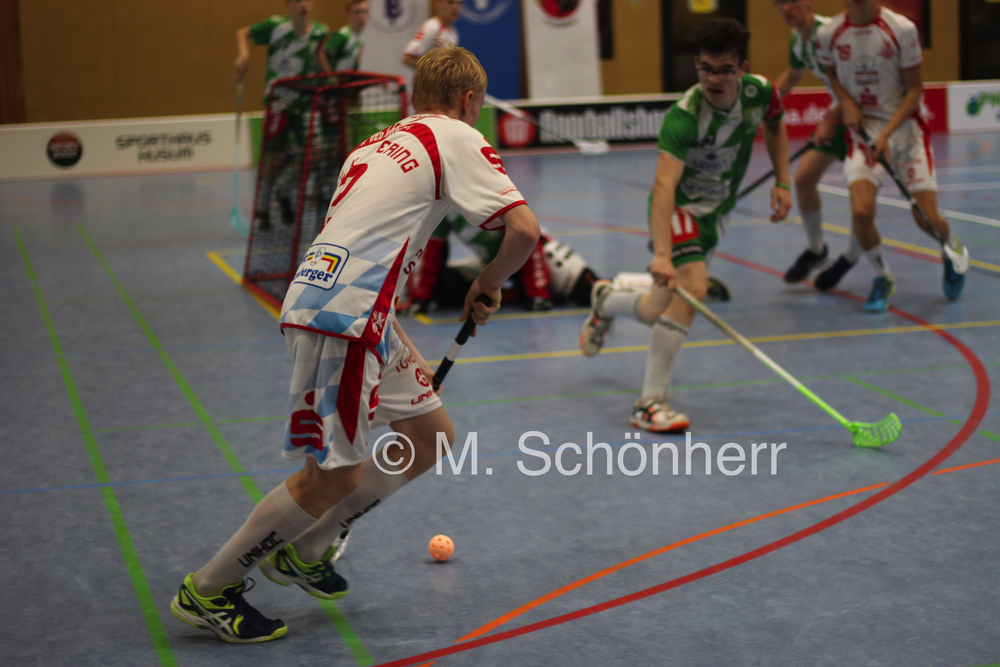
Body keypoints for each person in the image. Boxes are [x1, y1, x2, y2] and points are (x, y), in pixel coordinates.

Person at [171, 47, 541, 644]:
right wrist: (489, 282)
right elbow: (523, 231)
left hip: (350, 306)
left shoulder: (373, 145)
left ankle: (306, 550)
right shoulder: (454, 135)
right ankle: (210, 588)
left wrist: (394, 339)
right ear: (468, 99)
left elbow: (370, 243)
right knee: (332, 478)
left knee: (430, 436)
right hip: (343, 316)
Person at [579, 17, 792, 432]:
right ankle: (649, 403)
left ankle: (605, 300)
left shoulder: (761, 93)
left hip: (717, 213)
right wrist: (661, 253)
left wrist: (783, 180)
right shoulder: (685, 116)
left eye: (725, 70)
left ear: (742, 68)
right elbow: (663, 186)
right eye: (705, 68)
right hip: (680, 209)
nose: (714, 79)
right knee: (693, 288)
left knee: (656, 309)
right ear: (696, 64)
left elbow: (776, 126)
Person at [814, 0, 969, 311]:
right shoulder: (829, 33)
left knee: (926, 219)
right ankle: (882, 276)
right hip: (863, 131)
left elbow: (914, 92)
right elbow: (831, 73)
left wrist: (885, 135)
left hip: (906, 131)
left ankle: (951, 246)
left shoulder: (901, 29)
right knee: (861, 212)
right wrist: (847, 103)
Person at [773, 0, 858, 285]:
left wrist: (829, 121)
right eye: (779, 3)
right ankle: (817, 250)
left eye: (791, 1)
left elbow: (856, 85)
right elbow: (792, 75)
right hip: (839, 114)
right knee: (804, 178)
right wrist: (763, 103)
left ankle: (850, 255)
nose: (786, 9)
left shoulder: (830, 34)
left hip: (863, 116)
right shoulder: (798, 39)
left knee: (862, 196)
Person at [235, 0, 331, 229]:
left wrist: (330, 78)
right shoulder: (276, 27)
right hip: (278, 101)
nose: (303, 5)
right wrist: (244, 55)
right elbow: (243, 33)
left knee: (315, 155)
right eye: (297, 1)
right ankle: (262, 211)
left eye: (307, 0)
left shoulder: (320, 30)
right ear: (289, 5)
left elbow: (317, 51)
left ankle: (285, 190)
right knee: (275, 160)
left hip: (306, 101)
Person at [404, 213, 602, 312]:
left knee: (592, 293)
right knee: (444, 285)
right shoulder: (442, 204)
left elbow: (526, 237)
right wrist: (420, 298)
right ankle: (513, 294)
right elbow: (432, 251)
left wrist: (537, 291)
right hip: (495, 262)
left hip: (537, 253)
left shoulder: (487, 191)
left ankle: (623, 289)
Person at [402, 0, 464, 70]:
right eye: (450, 2)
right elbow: (408, 58)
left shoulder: (453, 33)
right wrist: (435, 70)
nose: (455, 7)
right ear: (438, 3)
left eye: (459, 3)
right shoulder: (431, 27)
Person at [324, 0, 368, 71]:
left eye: (364, 12)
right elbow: (323, 56)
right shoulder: (342, 35)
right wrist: (329, 75)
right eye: (356, 12)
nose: (361, 17)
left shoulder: (362, 39)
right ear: (348, 16)